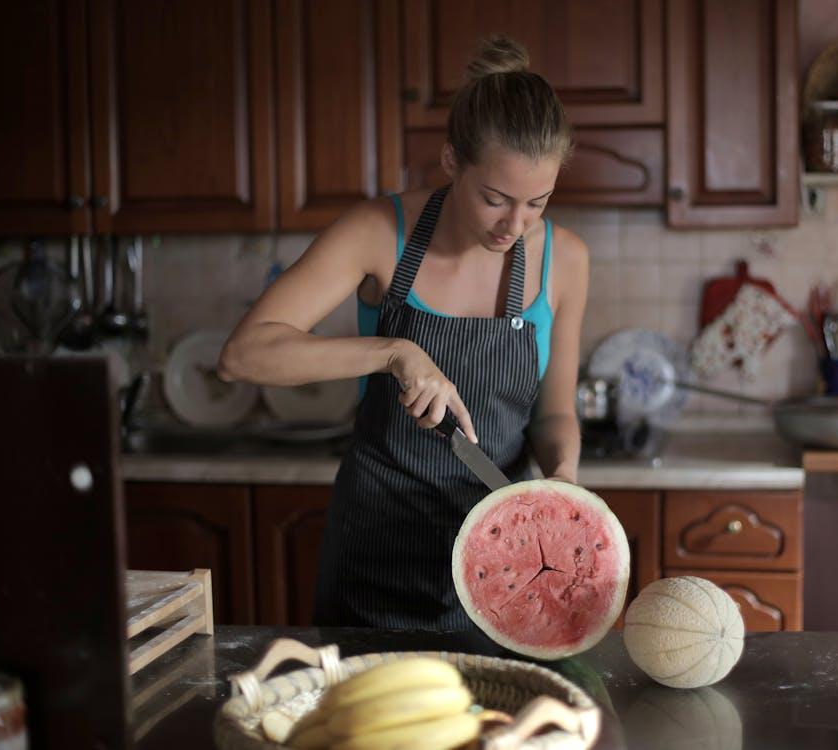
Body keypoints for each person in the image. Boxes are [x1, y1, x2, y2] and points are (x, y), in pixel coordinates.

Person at [218, 35, 589, 629]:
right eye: (495, 199)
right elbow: (244, 355)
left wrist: (564, 484)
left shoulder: (564, 260)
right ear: (450, 163)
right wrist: (393, 352)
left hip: (506, 563)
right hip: (375, 554)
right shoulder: (376, 231)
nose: (513, 226)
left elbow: (553, 414)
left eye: (537, 203)